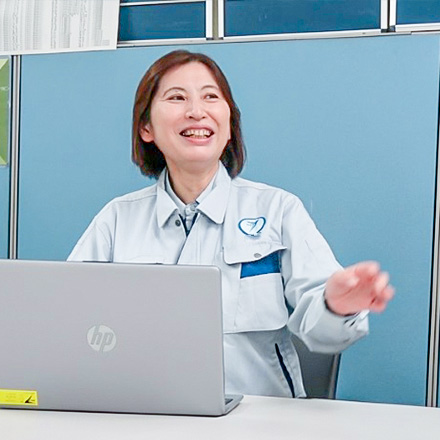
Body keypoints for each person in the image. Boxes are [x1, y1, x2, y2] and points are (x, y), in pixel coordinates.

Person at [68, 50, 394, 398]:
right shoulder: (117, 219)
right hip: (147, 412)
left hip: (261, 419)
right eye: (177, 98)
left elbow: (323, 331)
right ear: (146, 127)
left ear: (228, 125)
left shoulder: (278, 210)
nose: (196, 111)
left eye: (211, 96)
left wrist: (335, 305)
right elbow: (69, 320)